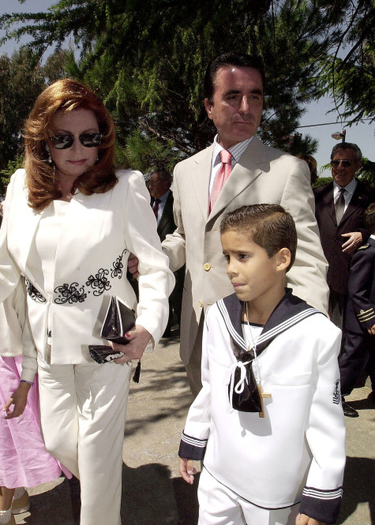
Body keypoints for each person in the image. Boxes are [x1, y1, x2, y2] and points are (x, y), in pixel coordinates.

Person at [0, 79, 174, 525]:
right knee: (59, 442)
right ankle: (103, 492)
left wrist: (148, 329)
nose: (77, 149)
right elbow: (6, 274)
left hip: (109, 346)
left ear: (103, 138)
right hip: (48, 348)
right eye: (62, 138)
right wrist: (14, 351)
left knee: (96, 458)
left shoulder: (125, 187)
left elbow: (155, 267)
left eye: (89, 137)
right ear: (42, 142)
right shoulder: (21, 187)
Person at [151, 51, 329, 396]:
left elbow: (305, 261)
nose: (245, 107)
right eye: (232, 96)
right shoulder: (186, 170)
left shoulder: (287, 170)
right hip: (197, 333)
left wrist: (306, 334)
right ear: (208, 105)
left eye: (255, 96)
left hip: (256, 335)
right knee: (206, 438)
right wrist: (151, 259)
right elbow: (186, 238)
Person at [179, 204, 346, 525]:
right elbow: (211, 387)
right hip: (218, 475)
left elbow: (327, 424)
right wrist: (194, 439)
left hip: (275, 491)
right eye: (227, 256)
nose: (230, 268)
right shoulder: (217, 316)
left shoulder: (315, 333)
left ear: (281, 259)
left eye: (243, 256)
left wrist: (320, 496)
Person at [0, 283, 66, 525]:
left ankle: (5, 506)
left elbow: (29, 324)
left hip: (7, 361)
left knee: (6, 442)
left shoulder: (6, 264)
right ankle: (15, 495)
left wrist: (26, 379)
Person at [314, 142, 375, 330]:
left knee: (345, 337)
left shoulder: (370, 195)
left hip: (351, 279)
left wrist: (362, 234)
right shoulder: (316, 194)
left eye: (346, 163)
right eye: (335, 163)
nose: (339, 168)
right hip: (318, 275)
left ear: (357, 165)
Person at [338, 202, 375, 417]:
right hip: (361, 323)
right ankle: (336, 396)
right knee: (352, 360)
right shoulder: (367, 253)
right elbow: (357, 290)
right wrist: (369, 320)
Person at [147, 169, 184, 335]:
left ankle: (182, 329)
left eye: (153, 183)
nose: (150, 187)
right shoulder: (146, 203)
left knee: (176, 297)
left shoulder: (176, 201)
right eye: (149, 183)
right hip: (151, 258)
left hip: (174, 260)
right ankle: (163, 329)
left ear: (165, 184)